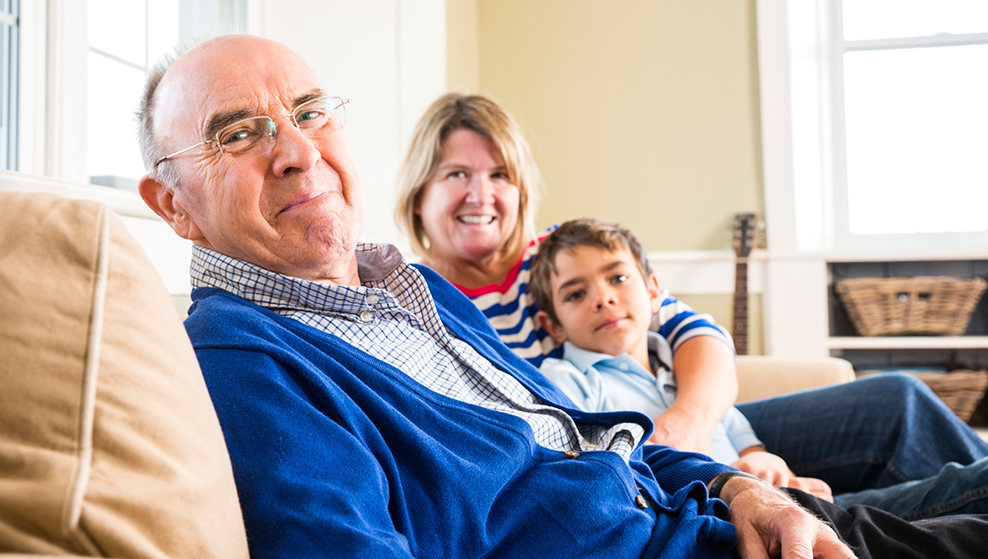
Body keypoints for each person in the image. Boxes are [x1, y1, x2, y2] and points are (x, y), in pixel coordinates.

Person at [134, 33, 988, 559]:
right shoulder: (248, 358)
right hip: (675, 540)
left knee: (918, 428)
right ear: (173, 203)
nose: (294, 150)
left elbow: (594, 422)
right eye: (238, 133)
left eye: (311, 112)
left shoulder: (417, 289)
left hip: (701, 504)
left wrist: (734, 484)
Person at [395, 92, 988, 511]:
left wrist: (694, 428)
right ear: (420, 192)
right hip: (612, 465)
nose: (481, 194)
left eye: (499, 174)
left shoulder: (561, 256)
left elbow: (693, 333)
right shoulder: (415, 300)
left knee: (898, 400)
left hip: (683, 427)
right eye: (455, 175)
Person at [530, 217, 988, 519]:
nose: (603, 297)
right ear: (553, 325)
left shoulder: (689, 378)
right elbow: (592, 473)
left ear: (654, 292)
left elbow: (750, 445)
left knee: (962, 490)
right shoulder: (566, 381)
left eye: (617, 277)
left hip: (786, 500)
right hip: (733, 518)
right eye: (576, 293)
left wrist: (766, 464)